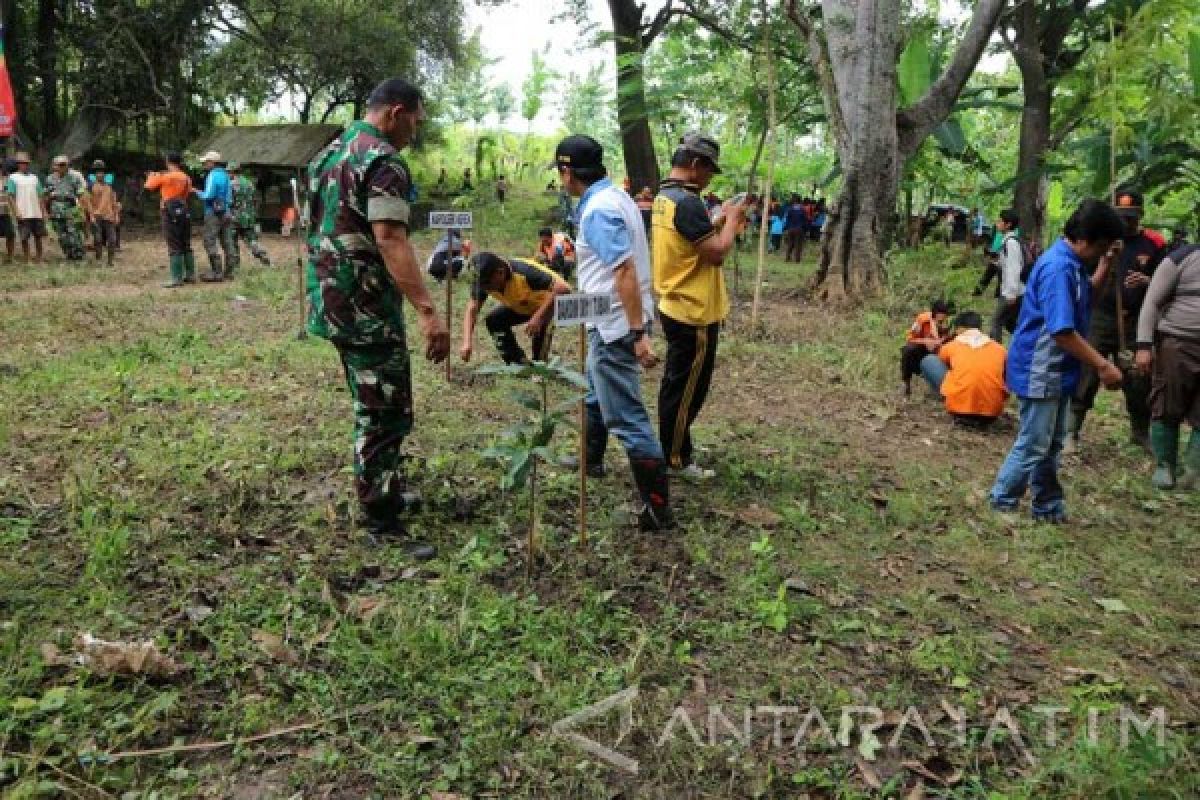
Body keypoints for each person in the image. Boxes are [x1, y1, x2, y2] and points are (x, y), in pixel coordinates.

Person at [305, 77, 449, 559]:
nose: (415, 130)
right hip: (365, 304)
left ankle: (384, 488)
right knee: (385, 407)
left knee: (370, 396)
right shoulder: (383, 161)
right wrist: (428, 311)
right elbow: (389, 237)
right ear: (396, 112)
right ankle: (380, 517)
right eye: (415, 120)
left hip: (331, 298)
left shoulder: (331, 152)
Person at [554, 133, 673, 530]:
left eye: (560, 170)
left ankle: (656, 509)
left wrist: (638, 333)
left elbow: (623, 269)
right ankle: (592, 460)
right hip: (606, 317)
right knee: (593, 391)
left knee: (626, 415)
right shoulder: (614, 197)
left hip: (616, 324)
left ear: (568, 171)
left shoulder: (598, 210)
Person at [990, 199, 1126, 523]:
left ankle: (1047, 505)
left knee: (1051, 444)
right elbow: (1062, 331)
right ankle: (1002, 500)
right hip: (1040, 367)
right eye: (1101, 247)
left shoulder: (1074, 266)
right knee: (1035, 442)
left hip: (1060, 369)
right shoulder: (1057, 268)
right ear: (1084, 240)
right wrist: (1103, 365)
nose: (1099, 253)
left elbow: (1086, 299)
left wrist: (1105, 265)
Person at [652, 131, 745, 479]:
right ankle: (675, 459)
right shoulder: (688, 203)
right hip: (693, 310)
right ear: (694, 165)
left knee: (677, 385)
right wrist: (732, 224)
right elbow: (716, 253)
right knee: (688, 389)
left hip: (675, 304)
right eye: (709, 171)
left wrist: (718, 219)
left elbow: (690, 241)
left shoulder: (666, 197)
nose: (709, 179)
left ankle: (675, 444)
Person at [1067, 188, 1164, 452]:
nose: (1126, 221)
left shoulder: (1154, 243)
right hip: (1100, 316)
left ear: (1141, 214)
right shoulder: (1103, 240)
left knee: (1138, 377)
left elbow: (1168, 281)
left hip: (1135, 320)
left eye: (1131, 216)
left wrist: (1149, 281)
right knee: (1087, 371)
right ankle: (1072, 430)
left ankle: (1140, 432)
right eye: (1121, 215)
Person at [1135, 244, 1200, 489]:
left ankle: (1193, 472)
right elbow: (1151, 301)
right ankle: (1165, 466)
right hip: (1178, 343)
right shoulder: (1181, 258)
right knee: (1167, 404)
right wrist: (1144, 345)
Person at [460, 252, 570, 365]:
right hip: (524, 304)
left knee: (539, 335)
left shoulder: (525, 272)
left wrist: (538, 316)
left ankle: (540, 365)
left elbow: (563, 288)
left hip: (551, 303)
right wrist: (467, 342)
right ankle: (517, 362)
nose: (486, 289)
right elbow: (472, 309)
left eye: (488, 285)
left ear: (500, 273)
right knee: (494, 320)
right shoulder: (482, 280)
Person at [918, 311, 1007, 427]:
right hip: (991, 414)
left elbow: (940, 362)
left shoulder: (952, 345)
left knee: (929, 360)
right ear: (980, 328)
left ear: (960, 329)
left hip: (959, 411)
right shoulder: (1000, 349)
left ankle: (949, 398)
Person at [145, 153, 197, 287]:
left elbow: (149, 187)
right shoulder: (186, 177)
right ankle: (190, 275)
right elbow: (187, 194)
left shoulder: (165, 176)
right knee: (185, 243)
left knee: (173, 244)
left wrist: (152, 176)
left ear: (168, 162)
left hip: (169, 213)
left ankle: (176, 278)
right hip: (184, 211)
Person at [194, 150, 236, 281]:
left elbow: (209, 195)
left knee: (209, 241)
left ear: (212, 162)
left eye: (206, 162)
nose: (204, 164)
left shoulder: (212, 175)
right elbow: (229, 196)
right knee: (227, 241)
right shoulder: (225, 175)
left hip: (213, 212)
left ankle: (216, 272)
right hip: (227, 211)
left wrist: (197, 192)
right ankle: (229, 272)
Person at [901, 300, 951, 396]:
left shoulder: (949, 323)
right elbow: (910, 339)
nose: (941, 323)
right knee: (908, 350)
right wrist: (926, 341)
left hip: (940, 350)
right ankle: (906, 382)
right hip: (923, 348)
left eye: (943, 320)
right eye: (939, 321)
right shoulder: (922, 320)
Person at [990, 209, 1025, 343]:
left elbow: (1014, 268)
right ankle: (1024, 344)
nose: (997, 223)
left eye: (1000, 221)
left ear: (1008, 224)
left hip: (1013, 292)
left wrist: (1011, 294)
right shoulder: (1007, 242)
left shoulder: (1011, 243)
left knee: (996, 322)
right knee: (1011, 323)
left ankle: (996, 353)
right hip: (1015, 291)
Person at [44, 155, 88, 261]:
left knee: (74, 234)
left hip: (71, 210)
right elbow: (46, 196)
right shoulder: (50, 178)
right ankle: (69, 255)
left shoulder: (75, 176)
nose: (61, 167)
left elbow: (81, 194)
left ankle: (78, 255)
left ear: (68, 165)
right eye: (59, 165)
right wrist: (46, 211)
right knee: (61, 236)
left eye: (64, 164)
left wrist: (82, 210)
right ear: (54, 166)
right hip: (56, 211)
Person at [228, 162, 271, 268]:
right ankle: (262, 256)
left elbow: (229, 201)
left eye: (228, 171)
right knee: (251, 240)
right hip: (249, 217)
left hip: (235, 217)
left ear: (232, 171)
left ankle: (235, 266)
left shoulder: (231, 184)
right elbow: (255, 200)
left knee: (232, 242)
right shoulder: (249, 183)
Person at [6, 152, 46, 264]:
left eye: (26, 163)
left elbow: (40, 196)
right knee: (24, 237)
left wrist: (43, 212)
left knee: (38, 236)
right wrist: (16, 211)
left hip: (36, 212)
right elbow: (10, 196)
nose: (25, 165)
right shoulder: (13, 178)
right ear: (18, 164)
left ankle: (39, 258)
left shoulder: (34, 178)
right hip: (23, 213)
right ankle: (27, 258)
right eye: (22, 163)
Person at [83, 159, 120, 266]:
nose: (100, 174)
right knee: (98, 239)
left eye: (102, 172)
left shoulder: (110, 186)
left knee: (112, 240)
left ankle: (110, 261)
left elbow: (114, 201)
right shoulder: (90, 186)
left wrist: (116, 214)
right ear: (95, 174)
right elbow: (87, 202)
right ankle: (98, 259)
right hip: (96, 215)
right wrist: (91, 215)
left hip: (109, 216)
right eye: (98, 172)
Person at [0, 159, 16, 263]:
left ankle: (10, 257)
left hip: (5, 211)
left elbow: (11, 196)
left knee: (10, 234)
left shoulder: (8, 180)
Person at [783, 194, 806, 262]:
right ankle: (797, 259)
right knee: (798, 245)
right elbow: (805, 220)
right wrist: (805, 229)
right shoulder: (802, 210)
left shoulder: (790, 209)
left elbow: (787, 220)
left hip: (791, 229)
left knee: (790, 244)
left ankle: (787, 258)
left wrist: (786, 228)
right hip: (799, 229)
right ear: (800, 201)